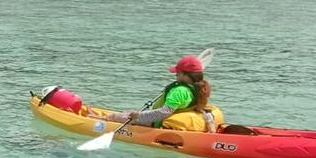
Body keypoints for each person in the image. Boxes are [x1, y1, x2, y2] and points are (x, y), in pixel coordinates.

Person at [90, 55, 222, 132]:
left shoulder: (179, 91)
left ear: (186, 75)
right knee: (127, 111)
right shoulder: (199, 88)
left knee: (114, 116)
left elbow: (164, 112)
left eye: (178, 72)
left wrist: (139, 117)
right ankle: (103, 115)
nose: (175, 74)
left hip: (156, 122)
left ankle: (94, 119)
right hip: (165, 118)